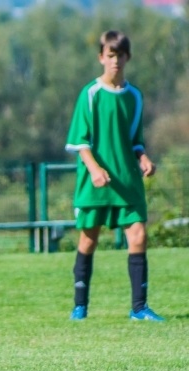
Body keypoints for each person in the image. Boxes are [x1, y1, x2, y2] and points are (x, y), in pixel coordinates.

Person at [65, 30, 161, 321]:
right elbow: (79, 141)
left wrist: (143, 157)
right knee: (88, 241)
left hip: (127, 180)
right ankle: (80, 307)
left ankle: (139, 308)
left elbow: (135, 140)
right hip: (95, 183)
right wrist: (94, 169)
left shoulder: (134, 96)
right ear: (101, 58)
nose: (115, 60)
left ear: (127, 58)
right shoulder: (91, 93)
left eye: (120, 55)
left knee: (139, 235)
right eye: (110, 55)